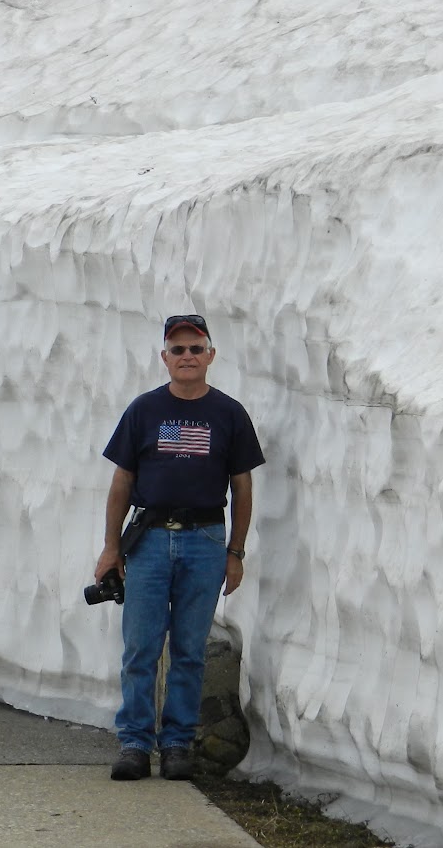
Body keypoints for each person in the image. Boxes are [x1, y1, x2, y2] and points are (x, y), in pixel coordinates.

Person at [95, 313, 265, 781]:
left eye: (195, 349)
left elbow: (242, 487)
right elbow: (122, 481)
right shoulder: (144, 410)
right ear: (164, 357)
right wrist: (111, 548)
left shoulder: (229, 414)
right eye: (178, 350)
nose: (186, 356)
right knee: (140, 647)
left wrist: (235, 552)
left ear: (210, 355)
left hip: (205, 540)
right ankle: (134, 743)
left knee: (190, 649)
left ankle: (176, 744)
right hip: (149, 539)